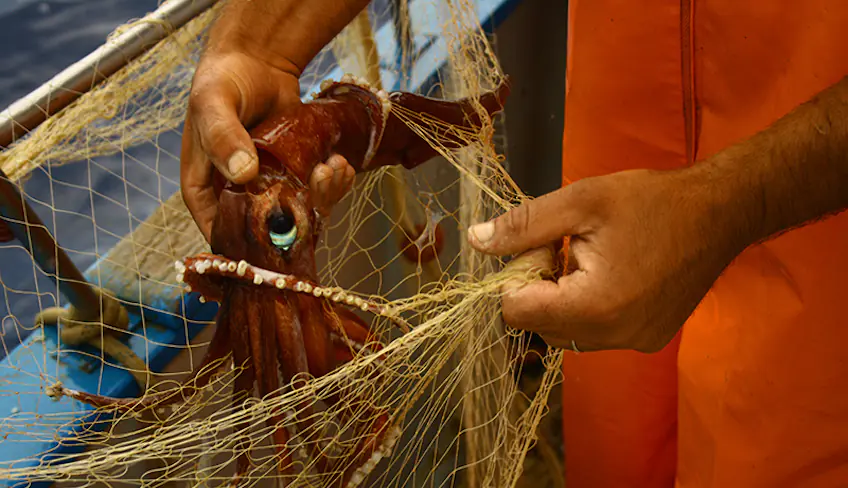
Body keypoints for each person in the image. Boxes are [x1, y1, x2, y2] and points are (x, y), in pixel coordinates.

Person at [180, 0, 848, 486]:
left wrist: (729, 203)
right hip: (626, 120)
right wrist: (260, 44)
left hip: (817, 226)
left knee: (772, 447)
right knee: (617, 432)